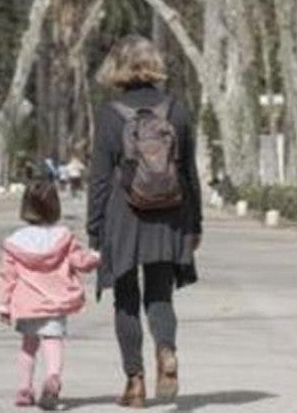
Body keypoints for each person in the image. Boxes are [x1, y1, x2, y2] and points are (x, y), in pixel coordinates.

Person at [86, 35, 202, 408]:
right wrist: (194, 222)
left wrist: (94, 227)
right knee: (159, 294)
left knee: (125, 299)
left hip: (124, 216)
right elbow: (189, 172)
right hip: (169, 214)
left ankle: (134, 382)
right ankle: (166, 351)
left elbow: (100, 177)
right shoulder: (176, 109)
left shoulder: (110, 113)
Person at [0, 182, 101, 410]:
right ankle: (53, 377)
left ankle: (24, 388)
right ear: (55, 206)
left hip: (27, 303)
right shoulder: (63, 237)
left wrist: (3, 305)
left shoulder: (15, 242)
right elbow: (80, 262)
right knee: (53, 341)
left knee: (28, 345)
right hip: (55, 302)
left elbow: (7, 276)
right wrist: (95, 256)